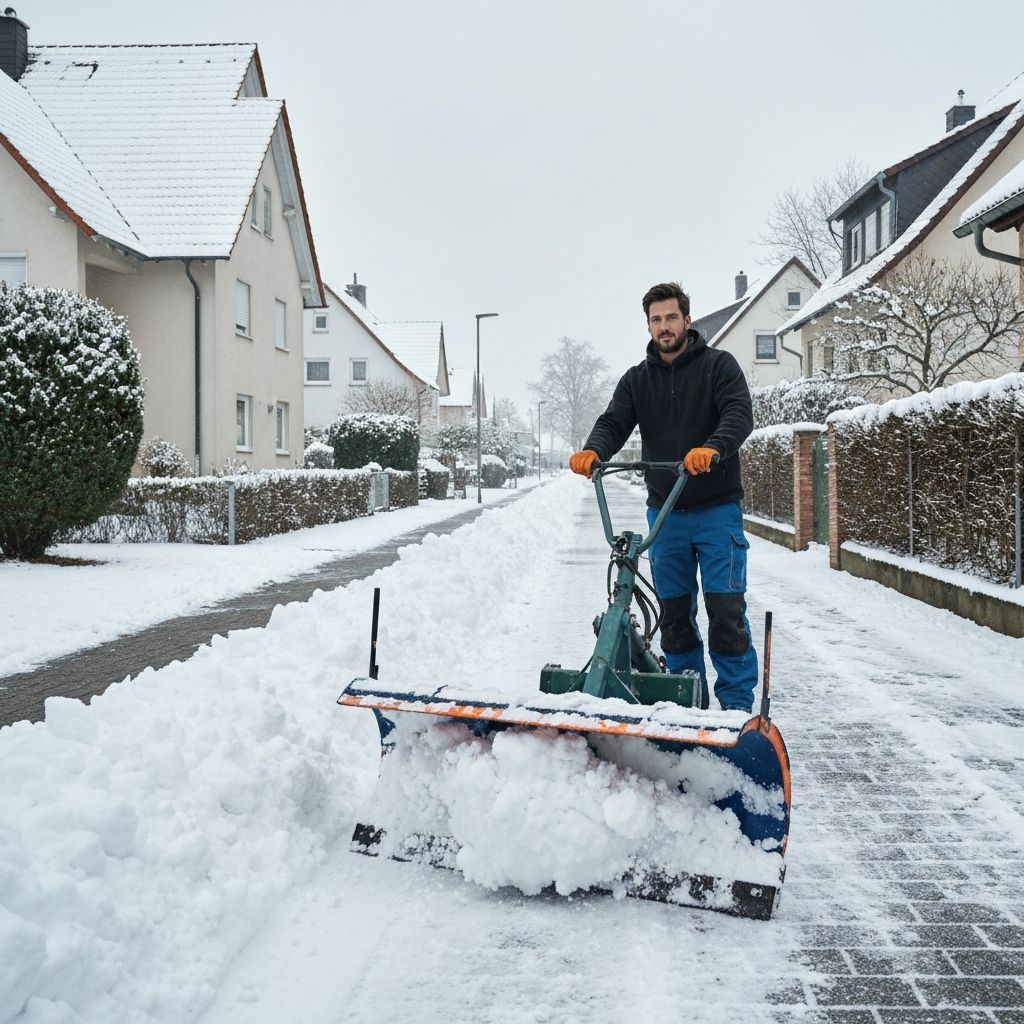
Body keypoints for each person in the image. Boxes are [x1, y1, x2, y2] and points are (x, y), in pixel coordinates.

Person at [568, 282, 757, 713]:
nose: (664, 326)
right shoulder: (637, 380)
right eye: (656, 320)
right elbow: (614, 421)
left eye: (671, 317)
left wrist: (713, 447)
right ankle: (686, 706)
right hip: (666, 515)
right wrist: (595, 450)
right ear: (649, 326)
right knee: (674, 618)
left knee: (725, 613)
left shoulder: (719, 366)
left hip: (716, 511)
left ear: (687, 321)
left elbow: (738, 413)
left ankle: (735, 712)